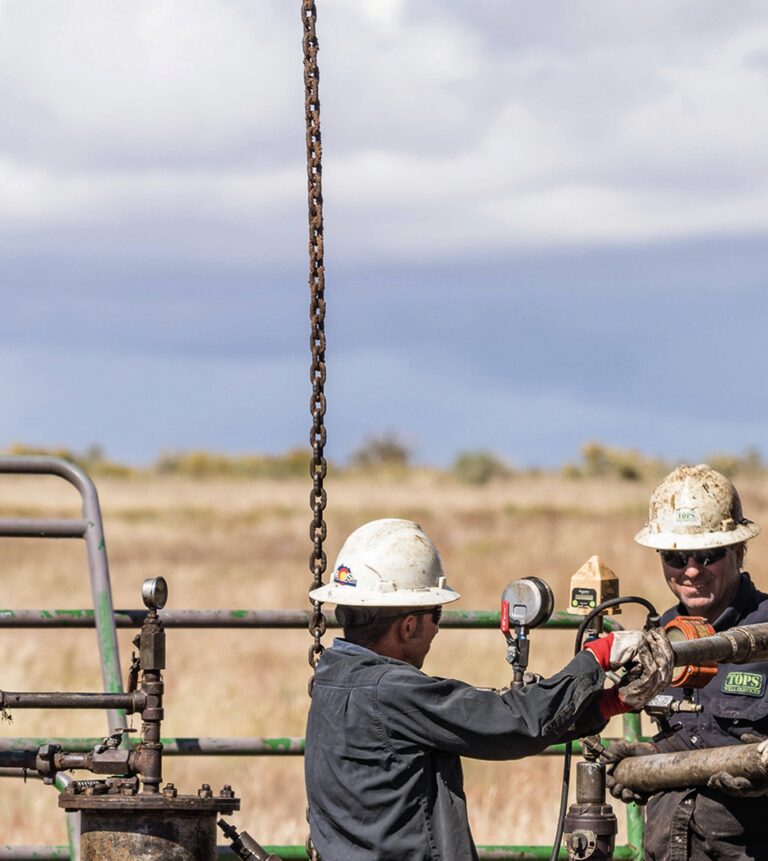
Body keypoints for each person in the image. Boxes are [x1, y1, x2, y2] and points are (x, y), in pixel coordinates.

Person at [304, 518, 674, 861]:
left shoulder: (332, 680)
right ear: (409, 627)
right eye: (437, 614)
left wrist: (608, 704)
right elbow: (513, 724)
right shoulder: (391, 691)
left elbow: (488, 721)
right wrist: (596, 658)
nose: (437, 629)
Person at [608, 464, 768, 861]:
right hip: (670, 848)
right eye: (676, 557)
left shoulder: (765, 630)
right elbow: (687, 732)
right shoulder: (661, 635)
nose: (691, 571)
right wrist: (651, 760)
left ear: (738, 550)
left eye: (708, 555)